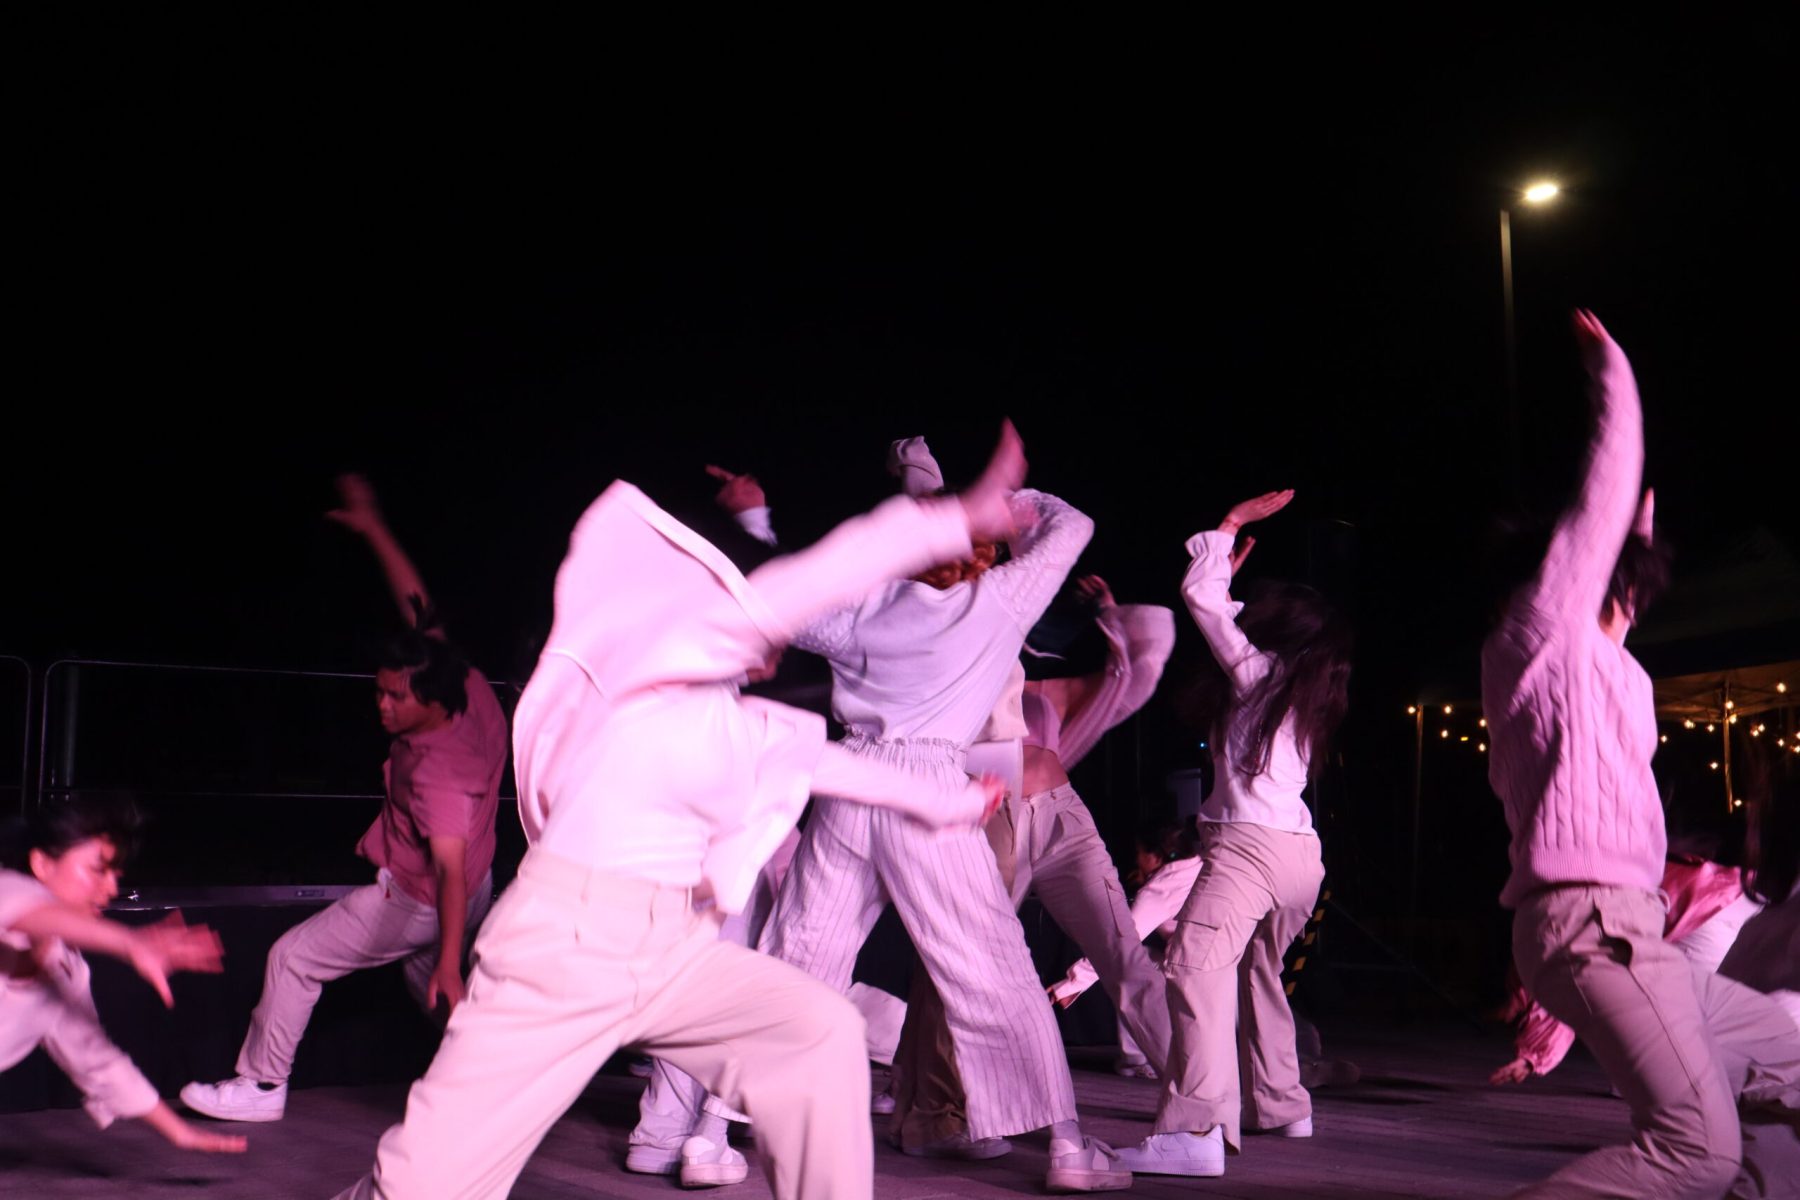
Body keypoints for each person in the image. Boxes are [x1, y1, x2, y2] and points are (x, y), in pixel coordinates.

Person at [330, 425, 1022, 1200]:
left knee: (817, 1033)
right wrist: (952, 518)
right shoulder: (646, 675)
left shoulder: (728, 720)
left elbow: (828, 763)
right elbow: (807, 582)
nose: (774, 633)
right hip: (562, 952)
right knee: (420, 1188)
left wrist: (953, 799)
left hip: (668, 952)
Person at [1481, 311, 1800, 1198]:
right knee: (1696, 1151)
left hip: (1633, 931)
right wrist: (1613, 382)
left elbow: (1617, 614)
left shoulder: (1605, 666)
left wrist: (1640, 546)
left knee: (1788, 1062)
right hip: (1592, 925)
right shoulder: (1538, 633)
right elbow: (1600, 505)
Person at [183, 474, 508, 1123]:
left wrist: (450, 958)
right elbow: (420, 608)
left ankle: (261, 1087)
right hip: (476, 882)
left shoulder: (440, 774)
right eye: (378, 690)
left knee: (295, 958)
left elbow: (445, 867)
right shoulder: (465, 686)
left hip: (422, 896)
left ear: (430, 700)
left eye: (395, 697)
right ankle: (501, 1086)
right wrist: (373, 526)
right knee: (434, 993)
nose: (381, 705)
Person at [1115, 487, 1352, 1180]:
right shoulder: (1308, 692)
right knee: (1258, 973)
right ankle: (1282, 1103)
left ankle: (1194, 1131)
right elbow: (1220, 607)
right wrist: (1226, 579)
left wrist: (1228, 526)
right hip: (1302, 860)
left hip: (1248, 851)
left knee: (1193, 968)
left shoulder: (1257, 674)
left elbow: (1202, 601)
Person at [1, 794, 244, 1154]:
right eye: (98, 870)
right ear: (42, 864)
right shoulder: (6, 886)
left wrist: (179, 1132)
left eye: (116, 874)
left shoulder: (66, 974)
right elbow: (22, 908)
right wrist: (129, 942)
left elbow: (98, 1060)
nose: (112, 889)